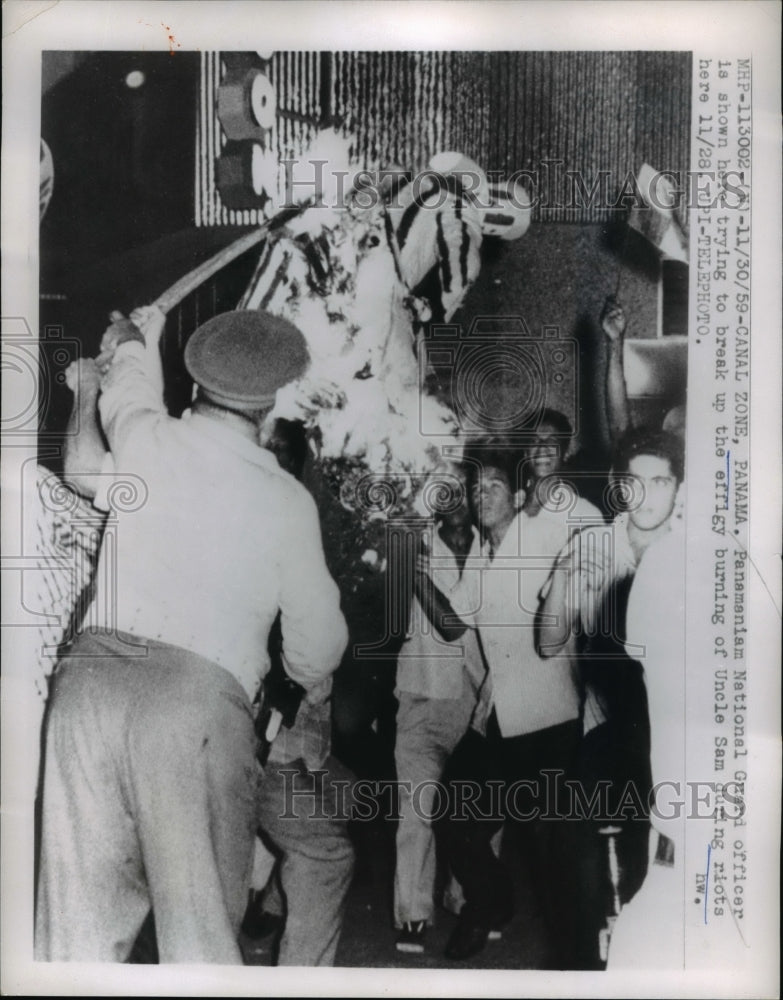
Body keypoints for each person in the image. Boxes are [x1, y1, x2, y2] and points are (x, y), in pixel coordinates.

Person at [35, 308, 349, 963]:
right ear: (270, 404)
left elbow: (109, 424)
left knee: (75, 935)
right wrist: (282, 674)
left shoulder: (147, 437)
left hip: (87, 691)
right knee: (197, 934)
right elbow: (318, 647)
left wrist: (126, 342)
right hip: (193, 708)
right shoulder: (285, 500)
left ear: (198, 379)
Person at [416, 436, 603, 966]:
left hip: (549, 718)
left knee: (552, 850)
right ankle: (491, 905)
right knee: (451, 813)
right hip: (497, 717)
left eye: (495, 483)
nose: (482, 493)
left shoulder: (542, 533)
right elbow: (452, 625)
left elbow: (580, 514)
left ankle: (582, 958)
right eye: (475, 485)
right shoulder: (479, 552)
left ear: (519, 495)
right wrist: (412, 570)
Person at [538, 426, 685, 965]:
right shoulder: (592, 545)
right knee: (572, 839)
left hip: (678, 740)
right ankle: (585, 962)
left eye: (661, 482)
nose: (646, 495)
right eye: (634, 482)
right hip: (613, 733)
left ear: (679, 489)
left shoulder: (698, 552)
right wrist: (564, 580)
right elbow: (549, 640)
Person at [392, 462, 486, 954]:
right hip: (422, 694)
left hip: (478, 700)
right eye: (443, 489)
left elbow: (459, 626)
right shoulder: (410, 541)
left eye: (462, 490)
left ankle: (473, 898)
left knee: (478, 812)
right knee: (417, 810)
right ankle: (412, 913)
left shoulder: (497, 546)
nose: (454, 499)